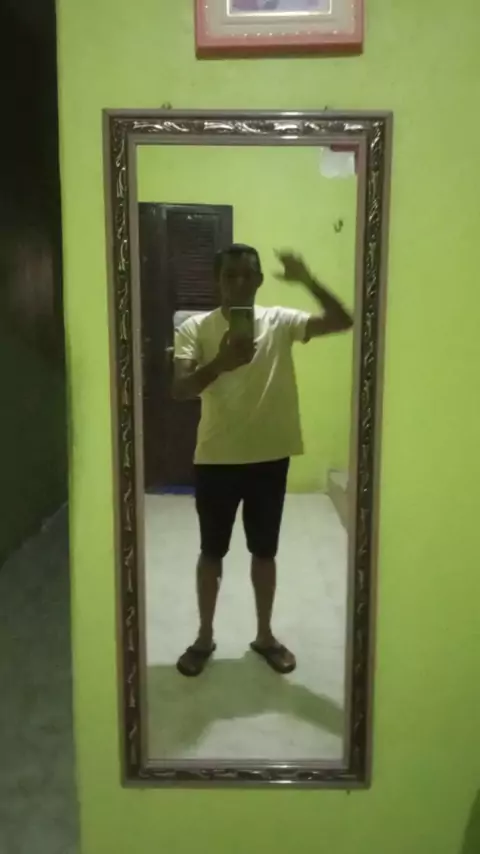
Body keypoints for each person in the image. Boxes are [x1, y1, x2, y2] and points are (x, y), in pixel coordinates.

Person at [173, 244, 353, 677]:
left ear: (258, 280)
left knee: (264, 552)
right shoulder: (195, 328)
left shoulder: (280, 321)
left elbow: (343, 320)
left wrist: (307, 279)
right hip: (216, 458)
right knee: (211, 552)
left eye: (246, 275)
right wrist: (221, 362)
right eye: (229, 275)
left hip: (270, 458)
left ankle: (265, 636)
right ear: (217, 281)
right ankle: (204, 637)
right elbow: (179, 390)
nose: (238, 283)